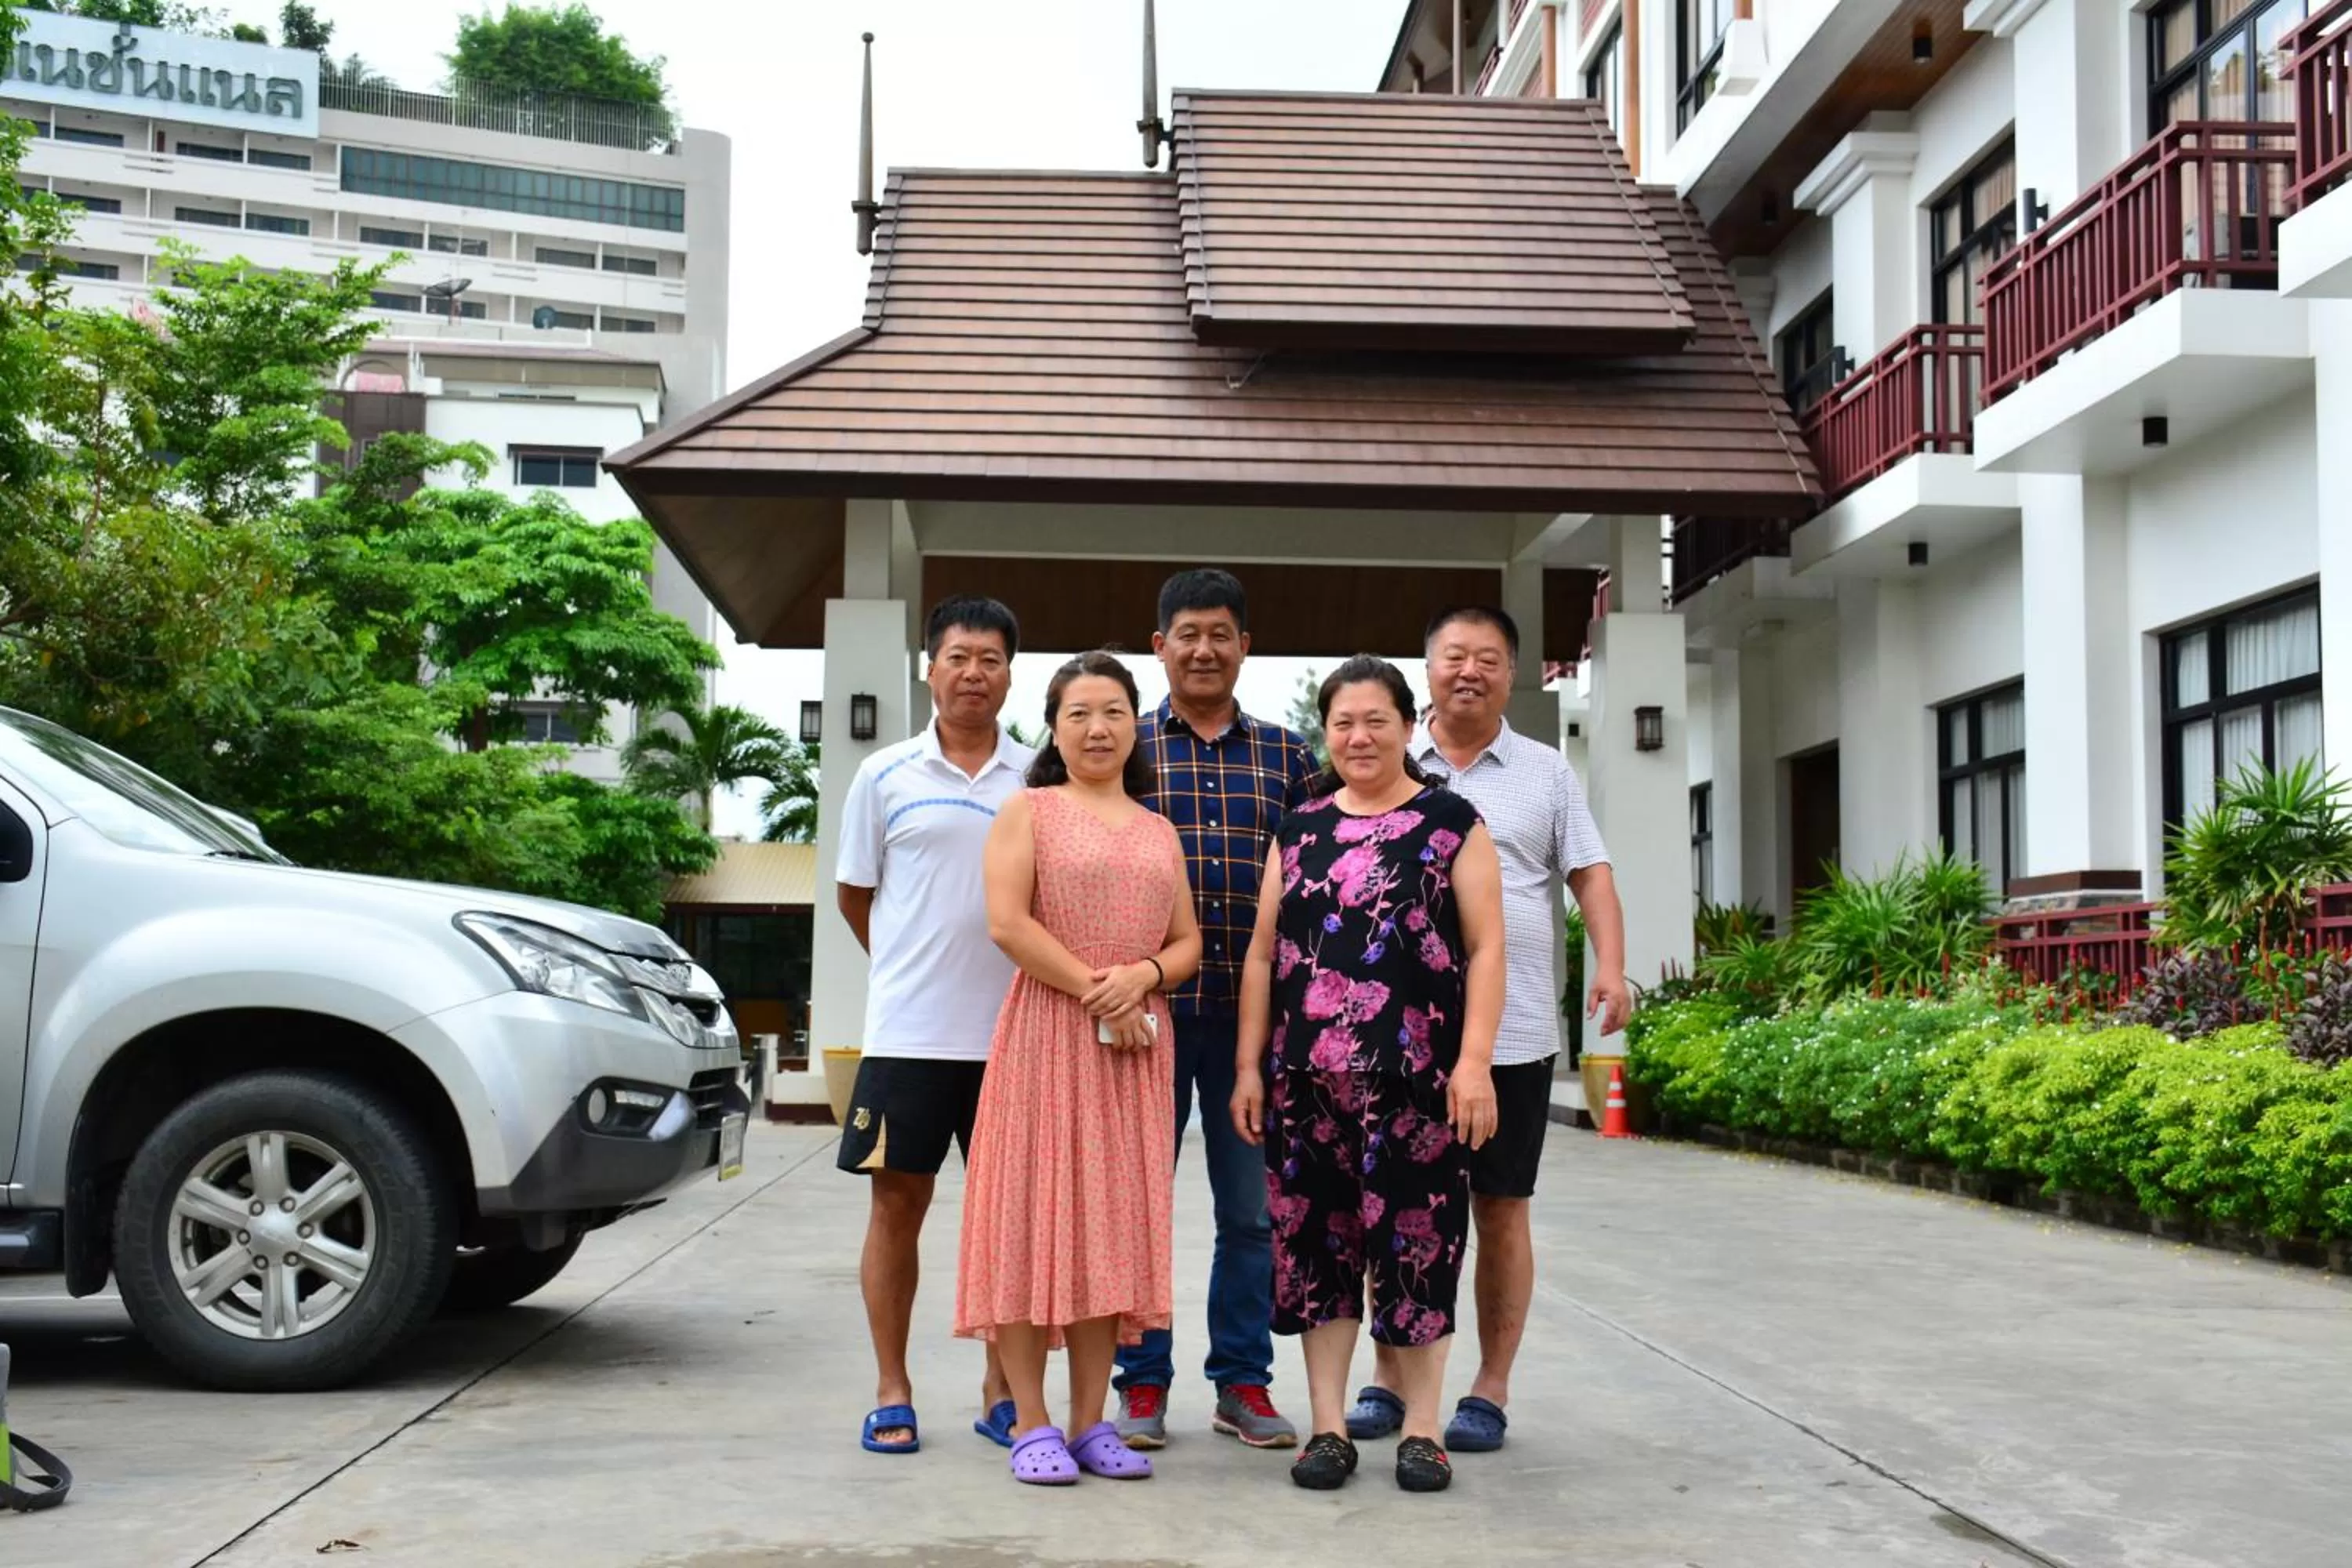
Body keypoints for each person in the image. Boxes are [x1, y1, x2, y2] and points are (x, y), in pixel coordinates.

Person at [1346, 606, 1628, 1456]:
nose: (1470, 671)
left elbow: (1591, 873)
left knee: (1500, 1206)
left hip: (1515, 1032)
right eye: (1454, 657)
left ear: (1511, 674)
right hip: (1397, 1032)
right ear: (1427, 668)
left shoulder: (1545, 772)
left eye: (1490, 660)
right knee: (1390, 1207)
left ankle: (1489, 1386)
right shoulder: (1384, 756)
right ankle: (1391, 1373)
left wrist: (1611, 965)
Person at [1232, 655, 1506, 1494]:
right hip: (1305, 1080)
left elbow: (1488, 945)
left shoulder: (1452, 821)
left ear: (1406, 724)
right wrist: (1248, 1065)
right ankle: (1327, 1427)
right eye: (1343, 721)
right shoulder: (1300, 829)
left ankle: (1423, 1429)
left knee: (1419, 1246)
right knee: (1319, 1250)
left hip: (1419, 1080)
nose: (1359, 736)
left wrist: (1474, 1063)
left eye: (1376, 719)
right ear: (1328, 732)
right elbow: (1263, 952)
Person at [956, 652, 1203, 1486]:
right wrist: (1104, 990)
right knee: (1031, 1222)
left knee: (1110, 1230)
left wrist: (1148, 977)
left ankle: (1093, 1419)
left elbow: (1187, 941)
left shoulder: (1158, 828)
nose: (1098, 728)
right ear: (1054, 729)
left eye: (1114, 712)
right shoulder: (1027, 810)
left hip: (1135, 1049)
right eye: (1078, 714)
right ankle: (1031, 1420)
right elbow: (1006, 922)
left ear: (1138, 724)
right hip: (1048, 1036)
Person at [1112, 569, 1318, 1452]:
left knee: (1251, 1213)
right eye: (1186, 632)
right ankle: (1142, 1381)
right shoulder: (1124, 748)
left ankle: (1242, 1380)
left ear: (1245, 646)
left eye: (1221, 633)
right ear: (1158, 645)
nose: (1203, 647)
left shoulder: (1287, 755)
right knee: (1135, 1206)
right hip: (1141, 1019)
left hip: (1252, 1027)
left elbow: (1319, 880)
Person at [835, 596, 1033, 1457]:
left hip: (1015, 1038)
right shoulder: (882, 775)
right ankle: (892, 1387)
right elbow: (856, 894)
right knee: (896, 1206)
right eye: (958, 656)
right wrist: (910, 971)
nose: (973, 672)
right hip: (910, 1038)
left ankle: (1002, 1388)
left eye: (990, 658)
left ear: (1009, 673)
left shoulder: (1037, 775)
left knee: (1011, 1217)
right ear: (930, 667)